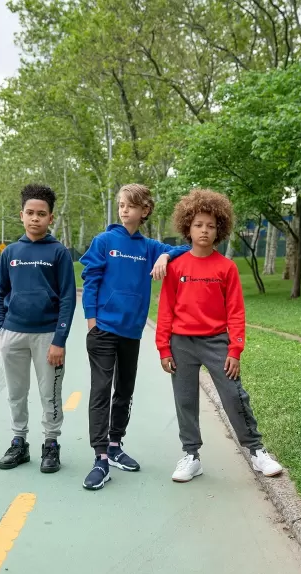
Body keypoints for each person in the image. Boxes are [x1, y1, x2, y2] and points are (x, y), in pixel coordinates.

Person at [155, 189, 283, 483]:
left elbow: (236, 312)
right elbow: (165, 311)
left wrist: (234, 350)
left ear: (219, 230)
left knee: (235, 396)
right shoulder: (175, 267)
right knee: (185, 401)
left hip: (217, 343)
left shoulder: (227, 267)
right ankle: (191, 456)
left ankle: (257, 451)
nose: (204, 230)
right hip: (181, 344)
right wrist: (164, 348)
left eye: (210, 226)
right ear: (188, 227)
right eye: (198, 224)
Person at [79, 183, 190, 490]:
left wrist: (164, 256)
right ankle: (100, 458)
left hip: (131, 331)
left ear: (145, 210)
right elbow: (90, 280)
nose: (124, 210)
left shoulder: (149, 247)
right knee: (101, 391)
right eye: (121, 205)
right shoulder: (104, 241)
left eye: (130, 205)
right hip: (103, 329)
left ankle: (115, 445)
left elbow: (185, 249)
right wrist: (92, 321)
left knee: (124, 390)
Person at [0, 184, 76, 474]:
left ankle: (51, 444)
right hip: (13, 334)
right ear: (21, 215)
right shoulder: (11, 252)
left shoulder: (59, 252)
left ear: (50, 218)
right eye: (30, 213)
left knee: (50, 394)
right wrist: (0, 327)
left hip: (48, 337)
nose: (35, 218)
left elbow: (67, 298)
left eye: (41, 214)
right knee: (16, 392)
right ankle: (19, 443)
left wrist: (59, 339)